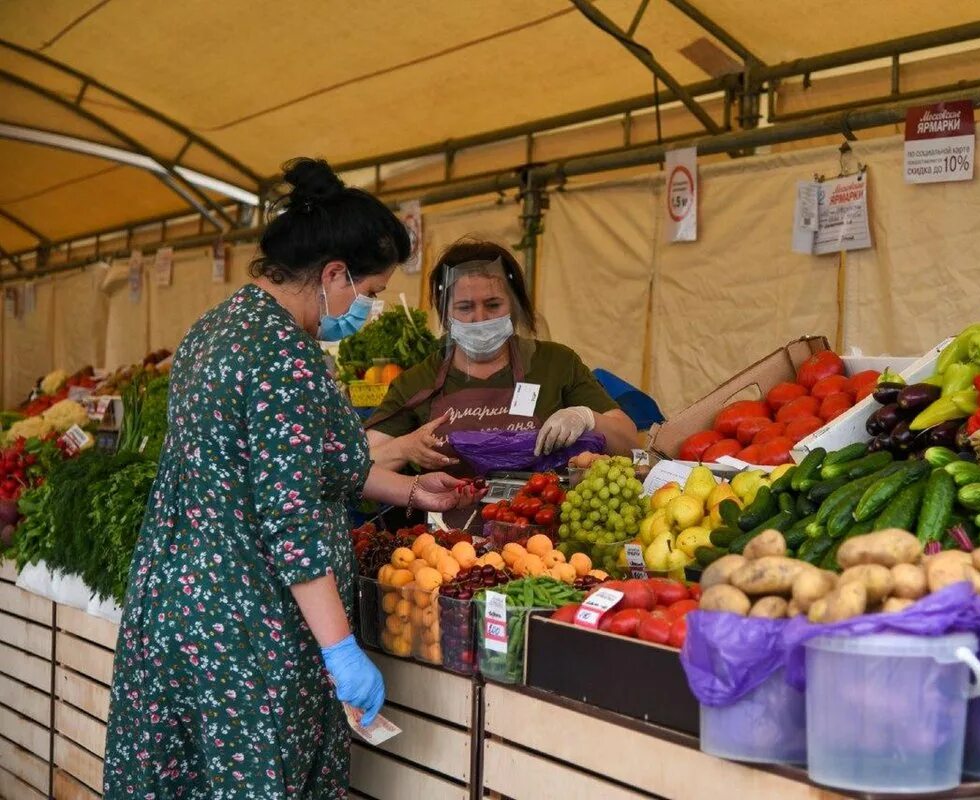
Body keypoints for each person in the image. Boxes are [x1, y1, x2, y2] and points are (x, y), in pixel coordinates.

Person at [103, 158, 477, 799]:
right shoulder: (286, 359)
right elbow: (292, 519)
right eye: (373, 290)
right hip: (251, 629)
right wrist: (339, 650)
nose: (372, 306)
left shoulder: (213, 331)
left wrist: (410, 490)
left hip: (177, 608)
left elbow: (295, 466)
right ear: (334, 274)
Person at [364, 239, 638, 475]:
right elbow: (360, 461)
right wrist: (404, 447)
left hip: (540, 525)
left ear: (515, 306)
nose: (480, 318)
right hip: (446, 532)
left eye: (493, 304)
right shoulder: (418, 381)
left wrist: (586, 417)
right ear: (445, 314)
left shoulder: (556, 363)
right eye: (465, 307)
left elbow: (630, 442)